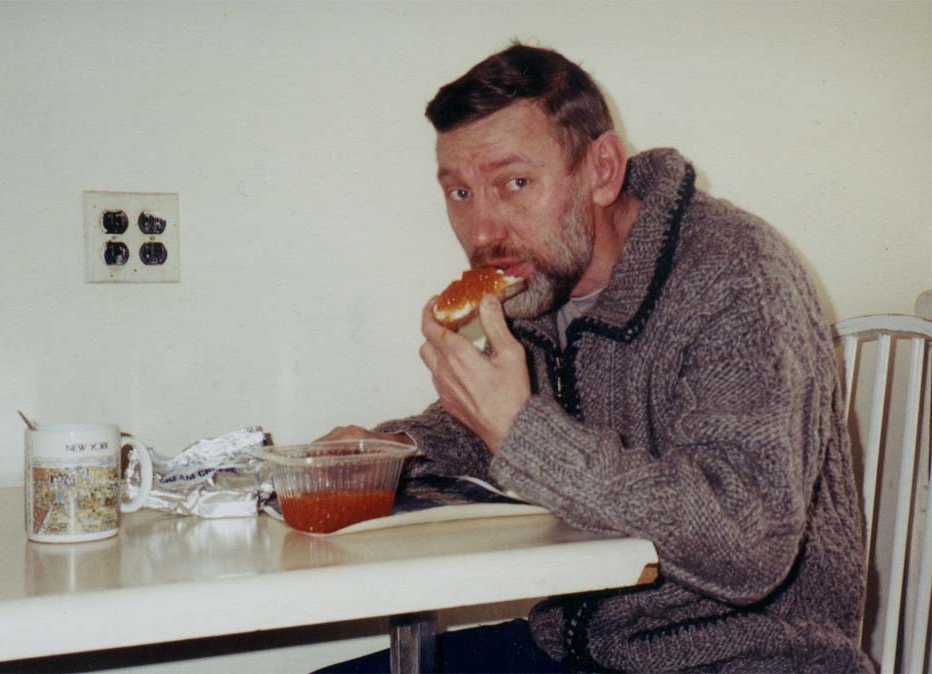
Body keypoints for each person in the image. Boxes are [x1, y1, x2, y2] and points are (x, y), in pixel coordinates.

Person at [318, 43, 872, 673]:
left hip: (745, 659)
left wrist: (520, 432)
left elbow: (747, 544)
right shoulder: (542, 284)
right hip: (580, 648)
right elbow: (495, 426)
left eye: (514, 183)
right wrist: (387, 453)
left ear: (602, 170)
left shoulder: (738, 276)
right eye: (461, 192)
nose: (482, 232)